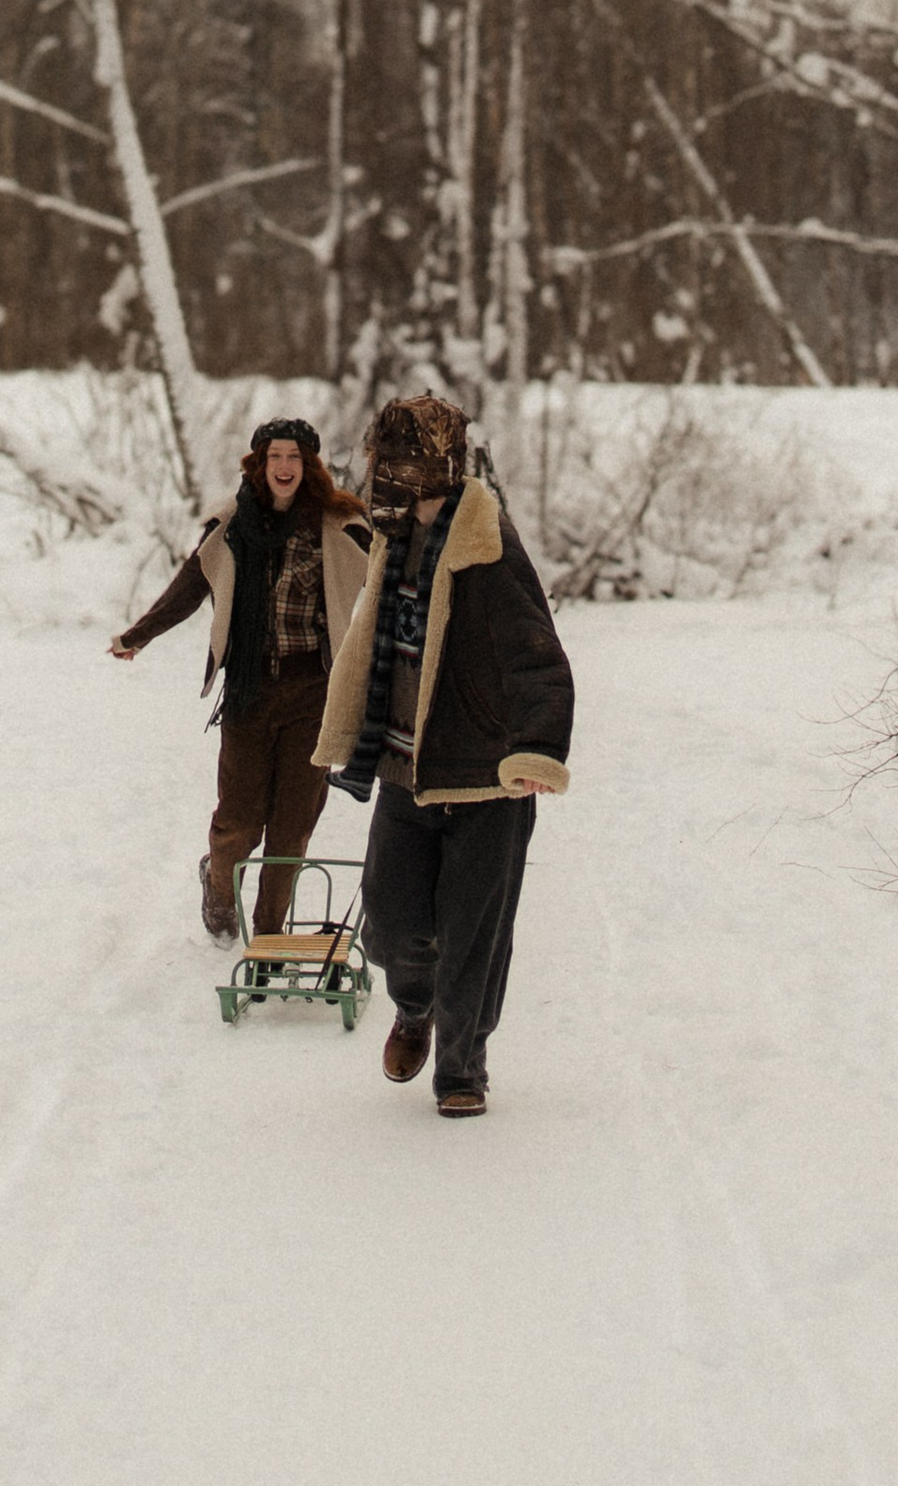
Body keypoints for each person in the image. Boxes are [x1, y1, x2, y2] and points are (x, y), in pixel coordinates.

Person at [314, 393, 572, 1121]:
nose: (387, 469)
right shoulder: (393, 535)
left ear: (440, 463)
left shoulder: (489, 547)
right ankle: (414, 1005)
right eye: (384, 454)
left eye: (402, 457)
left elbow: (538, 656)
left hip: (487, 779)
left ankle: (463, 1065)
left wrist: (535, 749)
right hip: (405, 769)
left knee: (474, 938)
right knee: (390, 922)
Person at [111, 417, 371, 942]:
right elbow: (191, 584)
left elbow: (392, 575)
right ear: (259, 464)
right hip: (250, 692)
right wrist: (140, 634)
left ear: (309, 466)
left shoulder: (339, 526)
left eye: (294, 457)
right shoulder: (231, 525)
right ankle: (218, 890)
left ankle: (269, 935)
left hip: (313, 694)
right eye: (275, 456)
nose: (284, 467)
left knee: (292, 828)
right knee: (239, 824)